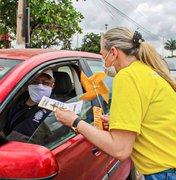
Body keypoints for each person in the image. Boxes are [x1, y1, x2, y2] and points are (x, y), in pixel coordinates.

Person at [55, 27, 176, 179]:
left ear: (113, 52)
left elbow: (120, 150)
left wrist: (75, 121)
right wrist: (121, 123)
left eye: (102, 54)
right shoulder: (146, 72)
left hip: (165, 173)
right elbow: (156, 120)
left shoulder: (127, 77)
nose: (102, 60)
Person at [3, 69, 55, 142]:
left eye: (45, 83)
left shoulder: (55, 108)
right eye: (35, 82)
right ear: (28, 84)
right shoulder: (13, 99)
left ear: (52, 85)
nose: (40, 86)